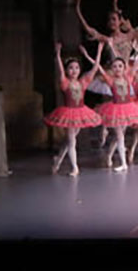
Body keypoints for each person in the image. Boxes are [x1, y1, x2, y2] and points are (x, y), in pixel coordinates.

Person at [45, 42, 105, 176]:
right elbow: (60, 70)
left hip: (80, 112)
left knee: (69, 141)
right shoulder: (65, 83)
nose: (74, 70)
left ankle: (58, 161)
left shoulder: (82, 82)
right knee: (72, 141)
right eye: (71, 68)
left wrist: (99, 51)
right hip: (68, 113)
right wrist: (58, 54)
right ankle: (75, 168)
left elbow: (95, 68)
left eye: (77, 68)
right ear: (67, 70)